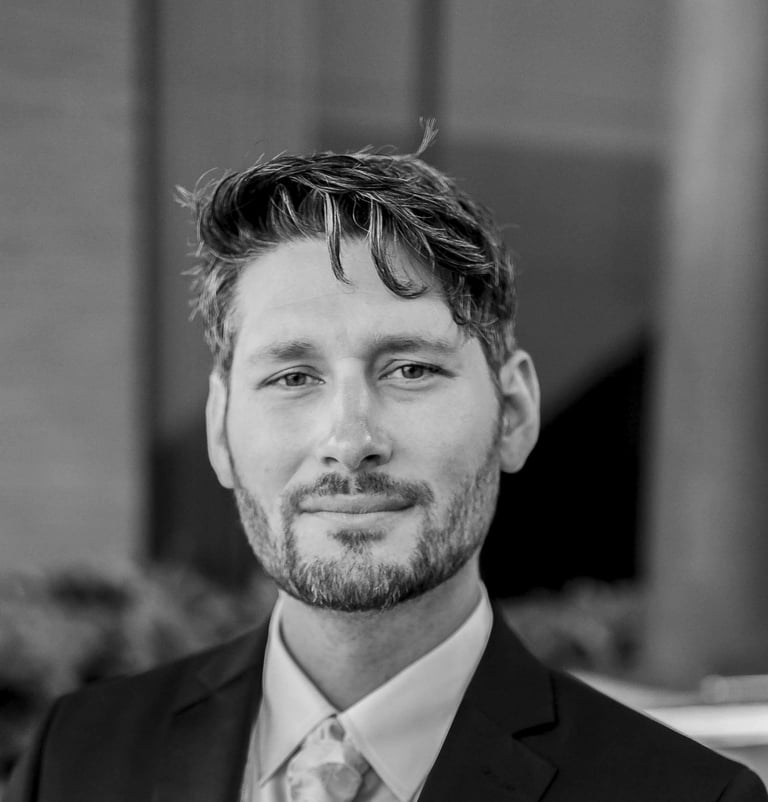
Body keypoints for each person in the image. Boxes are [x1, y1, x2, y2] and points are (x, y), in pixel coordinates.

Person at [7, 139, 767, 802]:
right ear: (218, 428)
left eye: (408, 369)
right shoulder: (77, 756)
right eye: (292, 377)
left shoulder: (687, 796)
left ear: (514, 413)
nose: (349, 439)